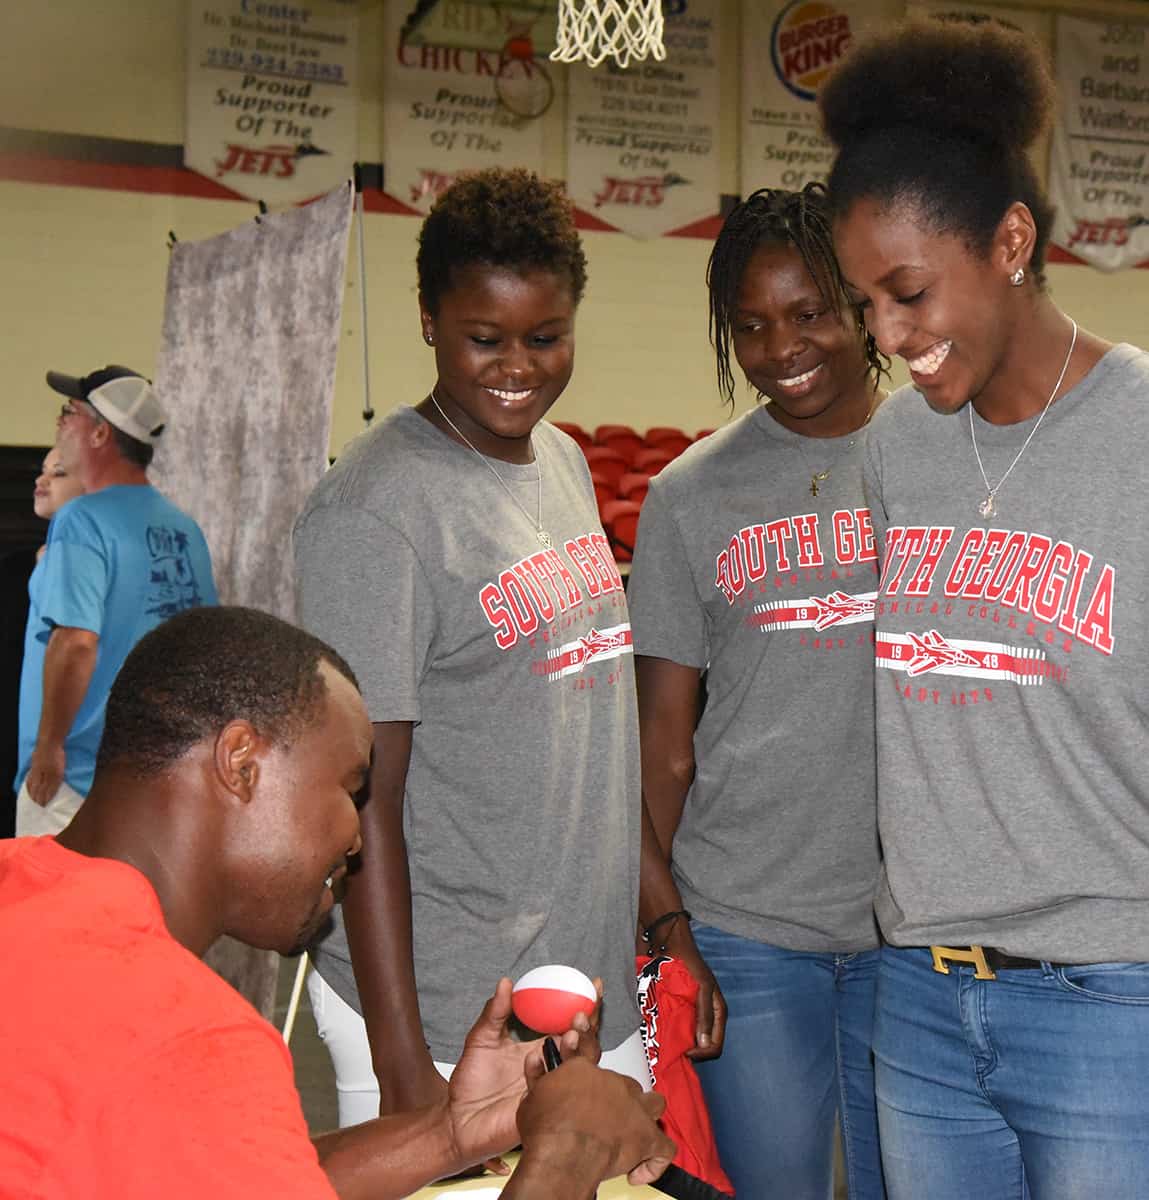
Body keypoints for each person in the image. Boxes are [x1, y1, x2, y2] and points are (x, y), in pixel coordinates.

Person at [0, 605, 676, 1198]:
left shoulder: (21, 894)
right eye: (350, 789)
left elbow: (236, 1174)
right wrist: (564, 1157)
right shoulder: (183, 1037)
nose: (356, 837)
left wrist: (452, 1131)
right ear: (241, 764)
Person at [820, 20, 1149, 1200]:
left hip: (1112, 1000)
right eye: (865, 303)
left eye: (907, 294)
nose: (887, 339)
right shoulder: (896, 447)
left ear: (1011, 240)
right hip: (917, 993)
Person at [293, 167, 647, 1138]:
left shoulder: (563, 460)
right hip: (448, 1006)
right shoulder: (376, 513)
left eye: (545, 337)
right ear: (426, 318)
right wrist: (402, 1060)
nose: (517, 367)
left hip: (581, 988)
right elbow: (365, 801)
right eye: (483, 338)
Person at [628, 184, 888, 1199]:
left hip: (912, 935)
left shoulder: (944, 467)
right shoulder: (690, 496)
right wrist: (663, 933)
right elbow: (664, 742)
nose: (783, 347)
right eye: (751, 325)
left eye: (809, 311)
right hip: (745, 930)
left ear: (861, 303)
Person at [15, 365, 217, 836]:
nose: (60, 423)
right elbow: (202, 654)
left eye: (70, 413)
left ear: (101, 433)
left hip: (70, 780)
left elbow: (77, 641)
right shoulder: (185, 530)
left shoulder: (82, 520)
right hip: (150, 780)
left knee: (55, 910)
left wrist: (49, 748)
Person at [1, 447, 85, 838]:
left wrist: (49, 748)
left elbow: (76, 646)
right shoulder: (39, 558)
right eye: (43, 470)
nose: (42, 480)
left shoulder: (80, 556)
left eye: (60, 472)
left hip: (67, 765)